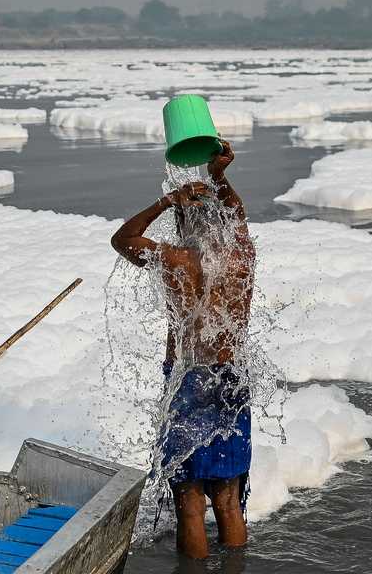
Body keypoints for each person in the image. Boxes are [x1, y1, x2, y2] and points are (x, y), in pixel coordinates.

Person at [109, 138, 256, 559]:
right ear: (223, 221)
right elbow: (238, 215)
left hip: (188, 378)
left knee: (189, 502)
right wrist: (219, 177)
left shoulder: (171, 259)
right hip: (233, 375)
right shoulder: (242, 253)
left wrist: (167, 200)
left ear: (182, 223)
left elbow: (124, 239)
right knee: (228, 497)